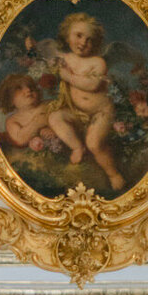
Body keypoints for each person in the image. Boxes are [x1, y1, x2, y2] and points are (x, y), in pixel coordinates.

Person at [47, 11, 125, 192]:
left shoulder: (98, 63)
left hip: (101, 112)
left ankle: (113, 173)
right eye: (79, 35)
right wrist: (32, 48)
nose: (83, 42)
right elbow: (46, 57)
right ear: (67, 36)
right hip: (77, 112)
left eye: (89, 39)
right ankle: (76, 147)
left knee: (95, 143)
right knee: (55, 117)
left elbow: (92, 85)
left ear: (96, 43)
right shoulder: (65, 58)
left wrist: (67, 76)